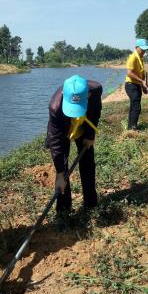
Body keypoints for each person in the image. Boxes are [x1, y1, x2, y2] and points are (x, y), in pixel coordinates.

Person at [45, 75, 102, 226]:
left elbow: (95, 111)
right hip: (62, 128)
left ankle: (90, 203)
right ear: (64, 95)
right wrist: (59, 172)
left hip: (83, 127)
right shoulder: (55, 107)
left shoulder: (95, 90)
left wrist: (90, 135)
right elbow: (56, 142)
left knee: (88, 163)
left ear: (88, 95)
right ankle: (64, 210)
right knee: (62, 173)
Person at [125, 38, 148, 130]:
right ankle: (132, 128)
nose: (144, 51)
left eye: (145, 49)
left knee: (135, 106)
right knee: (136, 107)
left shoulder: (141, 58)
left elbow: (142, 73)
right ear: (136, 47)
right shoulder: (133, 57)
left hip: (137, 85)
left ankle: (131, 128)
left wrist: (143, 86)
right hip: (130, 85)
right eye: (142, 49)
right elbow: (129, 73)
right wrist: (142, 81)